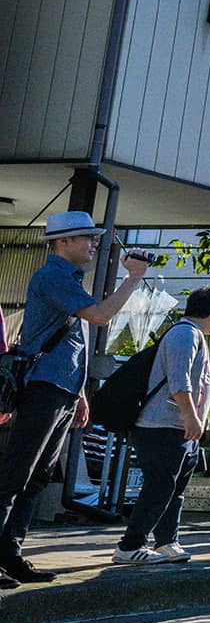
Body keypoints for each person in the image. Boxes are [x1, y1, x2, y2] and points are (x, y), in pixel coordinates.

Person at [0, 212, 150, 588]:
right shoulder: (52, 276)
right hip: (43, 389)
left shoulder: (69, 280)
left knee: (35, 479)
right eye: (86, 237)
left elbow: (71, 343)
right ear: (62, 242)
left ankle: (10, 555)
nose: (93, 243)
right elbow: (99, 316)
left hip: (61, 390)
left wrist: (80, 393)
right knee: (15, 477)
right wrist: (132, 278)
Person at [111, 287, 210, 566]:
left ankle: (166, 541)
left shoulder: (192, 334)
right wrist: (191, 416)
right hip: (162, 425)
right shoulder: (184, 334)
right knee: (160, 486)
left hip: (178, 427)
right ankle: (130, 546)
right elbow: (180, 380)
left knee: (173, 488)